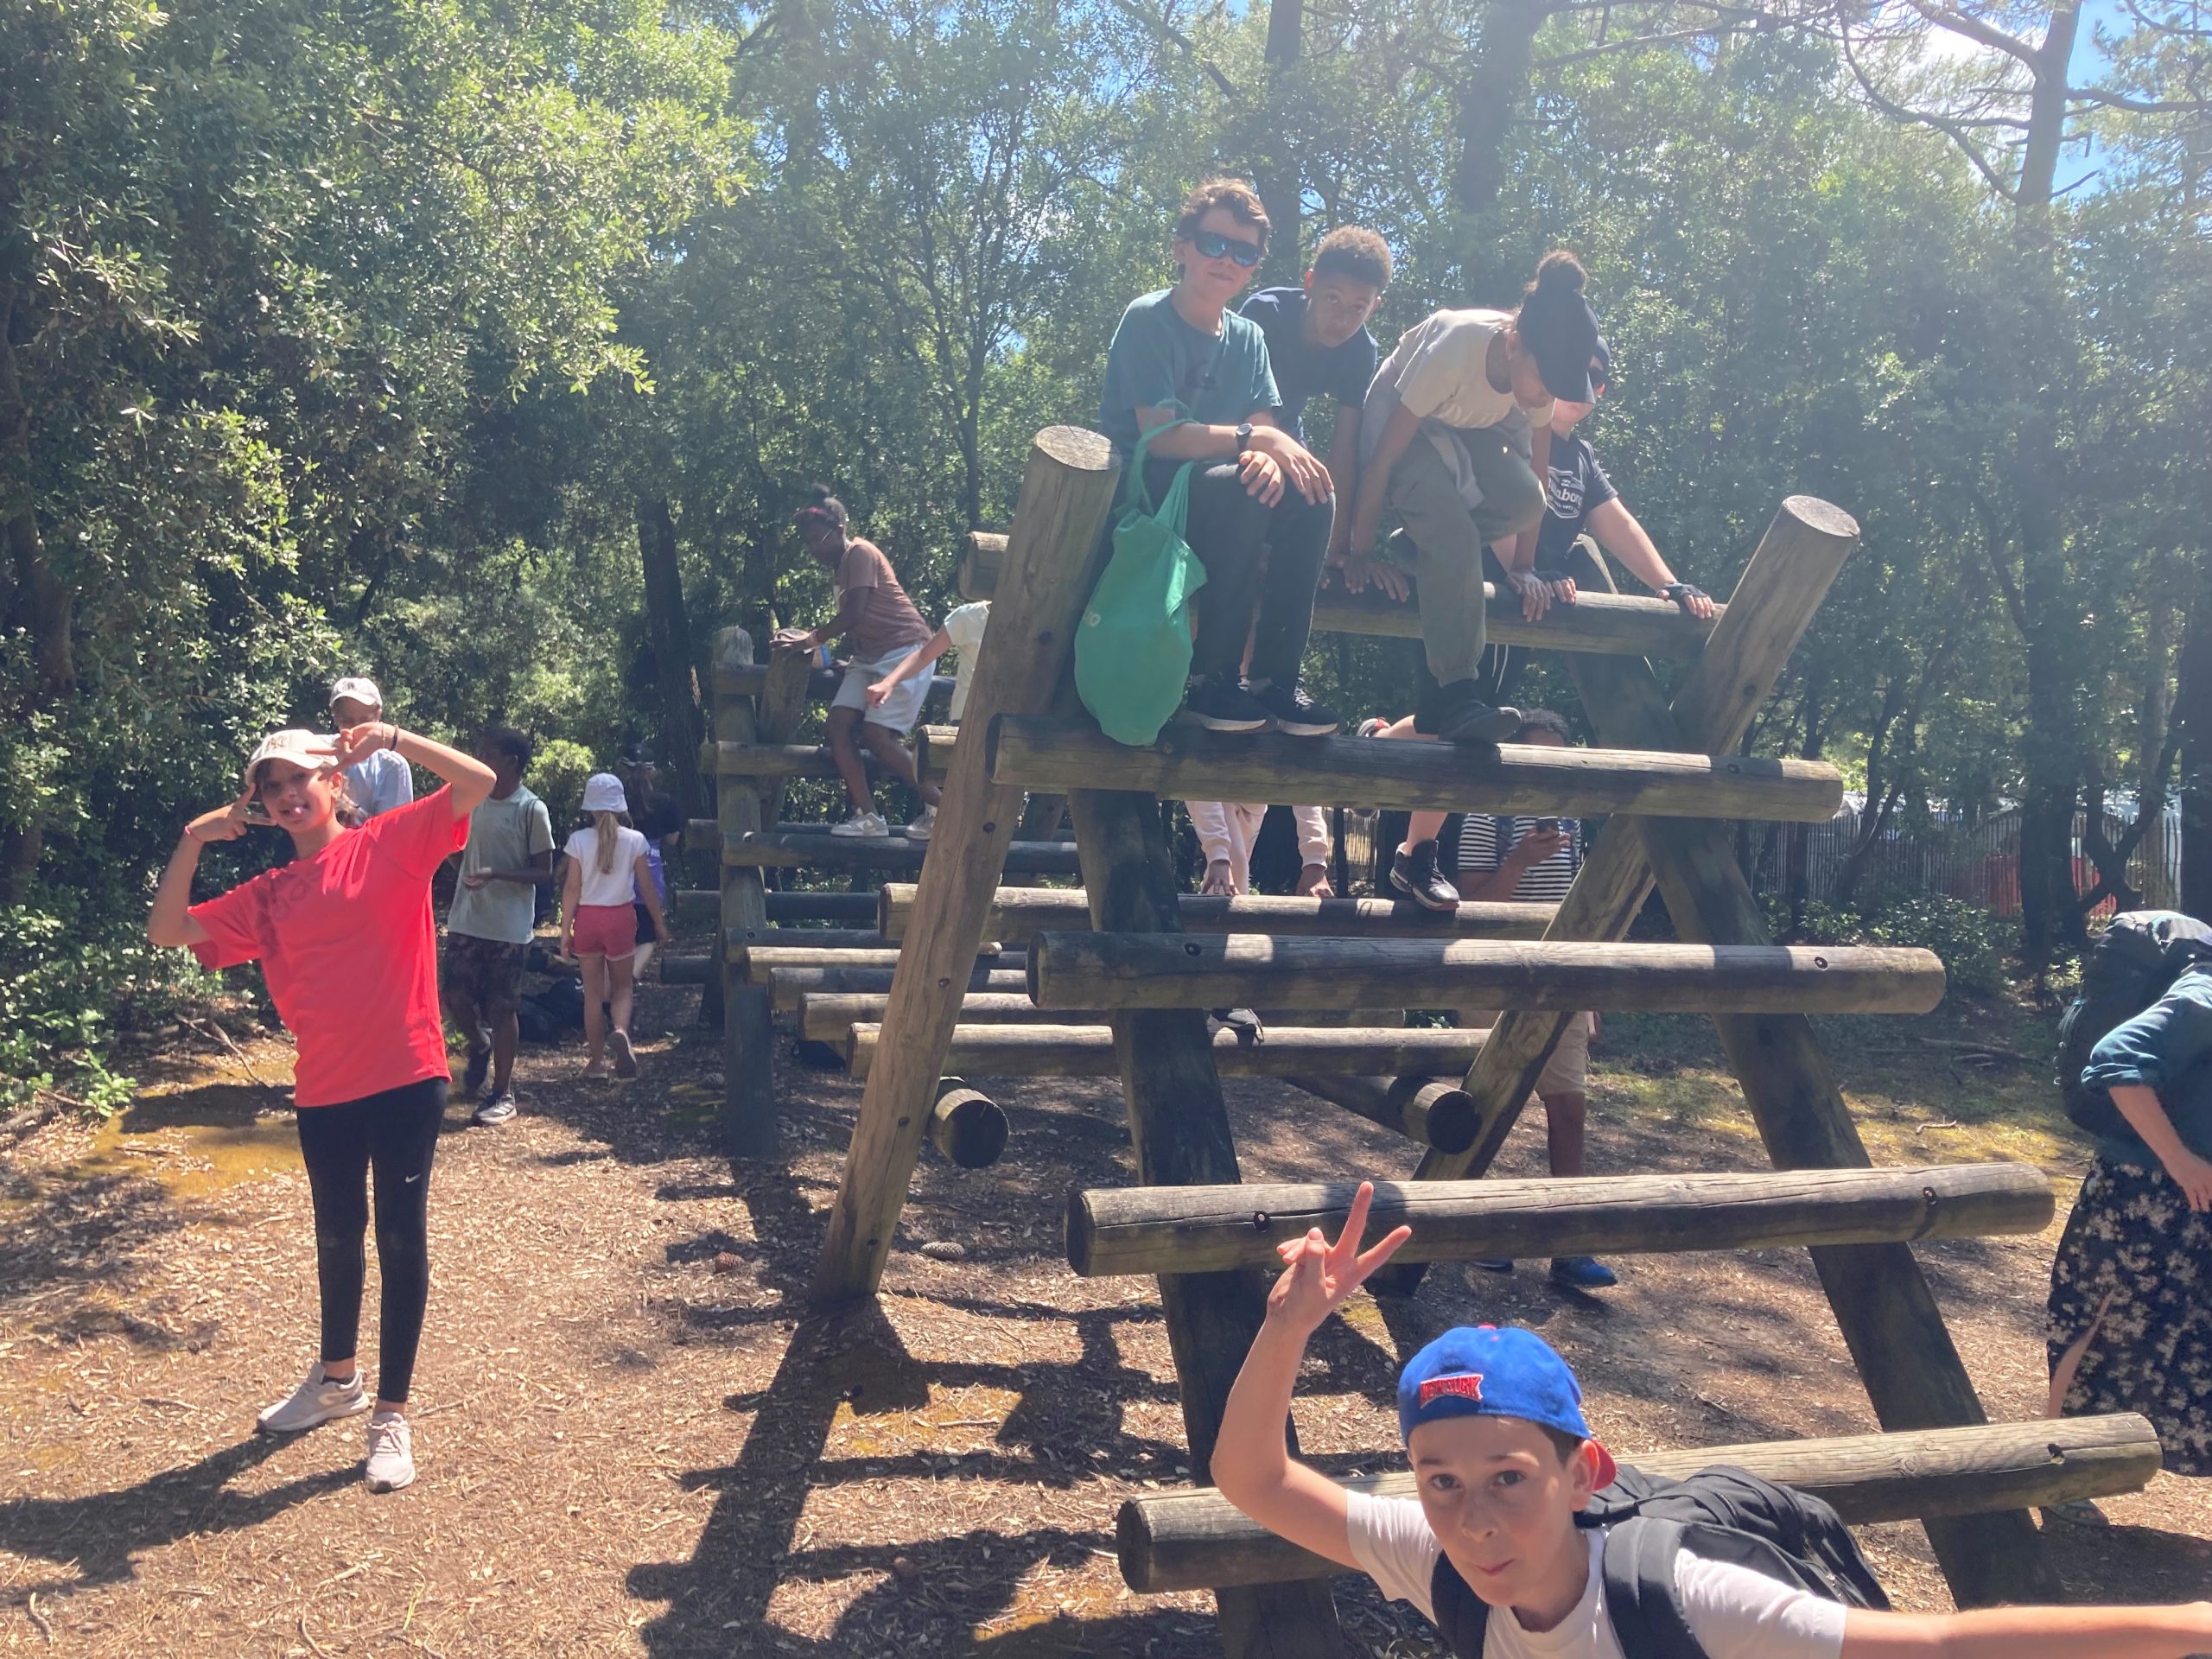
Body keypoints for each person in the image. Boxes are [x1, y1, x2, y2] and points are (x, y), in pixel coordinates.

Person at [1215, 1183, 2212, 1659]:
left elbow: (1943, 1645)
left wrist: (2188, 1627)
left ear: (1584, 1472)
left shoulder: (1680, 1598)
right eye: (1440, 1482)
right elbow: (1252, 1480)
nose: (1472, 1520)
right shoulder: (1436, 1561)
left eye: (1507, 1477)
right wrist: (1287, 1326)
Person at [146, 720, 497, 1493]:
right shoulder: (269, 895)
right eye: (270, 787)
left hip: (407, 1074)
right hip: (325, 1088)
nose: (286, 795)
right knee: (338, 1235)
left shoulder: (390, 843)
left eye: (299, 778)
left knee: (400, 1238)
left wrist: (394, 739)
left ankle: (391, 1416)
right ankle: (337, 1381)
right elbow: (167, 929)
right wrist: (194, 839)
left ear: (335, 783)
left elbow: (477, 782)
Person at [1098, 178, 1341, 738]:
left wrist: (1267, 453)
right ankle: (1213, 681)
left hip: (1222, 490)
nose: (1227, 260)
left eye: (1244, 253)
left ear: (1254, 267)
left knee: (1313, 494)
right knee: (1243, 487)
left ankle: (1276, 681)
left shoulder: (1249, 336)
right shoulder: (1148, 319)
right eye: (1214, 244)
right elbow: (1161, 437)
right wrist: (1256, 444)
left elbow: (1264, 427)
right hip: (1147, 501)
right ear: (1182, 247)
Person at [1342, 251, 1605, 744]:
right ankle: (1458, 691)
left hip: (1467, 424)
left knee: (1525, 502)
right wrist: (1360, 550)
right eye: (1544, 383)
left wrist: (1523, 567)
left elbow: (1537, 477)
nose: (1546, 396)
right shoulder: (1457, 347)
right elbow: (1383, 457)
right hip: (1401, 420)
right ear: (1514, 344)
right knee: (1457, 539)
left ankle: (1424, 544)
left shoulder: (1542, 372)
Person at [2047, 957, 2212, 1475]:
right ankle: (2056, 1470)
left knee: (2184, 1341)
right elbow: (2116, 1058)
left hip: (2195, 1200)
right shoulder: (2205, 994)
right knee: (2099, 1329)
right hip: (2141, 1195)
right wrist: (2179, 1160)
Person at [772, 488, 942, 839]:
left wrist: (811, 640)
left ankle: (943, 806)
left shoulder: (860, 553)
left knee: (878, 737)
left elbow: (855, 614)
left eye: (818, 539)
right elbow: (862, 621)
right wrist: (848, 659)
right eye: (808, 542)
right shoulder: (841, 569)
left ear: (840, 530)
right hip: (868, 658)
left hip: (905, 651)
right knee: (838, 725)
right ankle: (868, 817)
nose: (814, 548)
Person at [1237, 227, 1395, 590]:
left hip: (1288, 428)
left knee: (1314, 495)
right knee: (1259, 487)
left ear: (1374, 307)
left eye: (1358, 308)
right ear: (1310, 284)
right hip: (1237, 422)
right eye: (1332, 299)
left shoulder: (1361, 351)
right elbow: (1234, 401)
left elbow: (1344, 451)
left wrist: (1334, 549)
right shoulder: (1265, 313)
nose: (1342, 320)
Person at [442, 727, 554, 1128]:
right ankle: (479, 1042)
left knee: (502, 1006)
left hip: (509, 927)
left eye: (487, 753)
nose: (480, 759)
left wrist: (496, 874)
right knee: (453, 995)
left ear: (511, 762)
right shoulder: (471, 801)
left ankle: (502, 1093)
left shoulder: (531, 809)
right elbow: (454, 847)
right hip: (466, 919)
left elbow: (544, 871)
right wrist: (466, 872)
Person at [559, 772, 670, 1079]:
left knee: (593, 995)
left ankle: (596, 1063)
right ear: (620, 805)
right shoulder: (636, 840)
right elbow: (646, 887)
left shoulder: (578, 841)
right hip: (620, 918)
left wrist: (565, 930)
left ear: (590, 807)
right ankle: (620, 1030)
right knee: (622, 988)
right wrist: (659, 923)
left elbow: (572, 888)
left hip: (588, 919)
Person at [869, 599, 991, 741]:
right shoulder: (969, 616)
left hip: (1011, 717)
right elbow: (924, 655)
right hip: (969, 719)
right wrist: (888, 682)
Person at [619, 747, 684, 978]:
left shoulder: (616, 802)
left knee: (619, 937)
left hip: (617, 878)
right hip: (650, 872)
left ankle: (617, 978)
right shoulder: (666, 802)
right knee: (647, 939)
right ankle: (629, 977)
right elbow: (672, 839)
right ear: (652, 771)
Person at [1188, 801, 1333, 899]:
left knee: (1231, 881)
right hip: (1212, 792)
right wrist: (1218, 856)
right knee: (1234, 869)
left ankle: (1203, 929)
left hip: (1254, 802)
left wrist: (1315, 864)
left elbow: (1304, 785)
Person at [329, 677, 413, 817]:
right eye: (347, 721)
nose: (356, 728)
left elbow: (392, 827)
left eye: (365, 720)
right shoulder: (317, 749)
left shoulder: (391, 765)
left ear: (378, 715)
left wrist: (345, 806)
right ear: (335, 717)